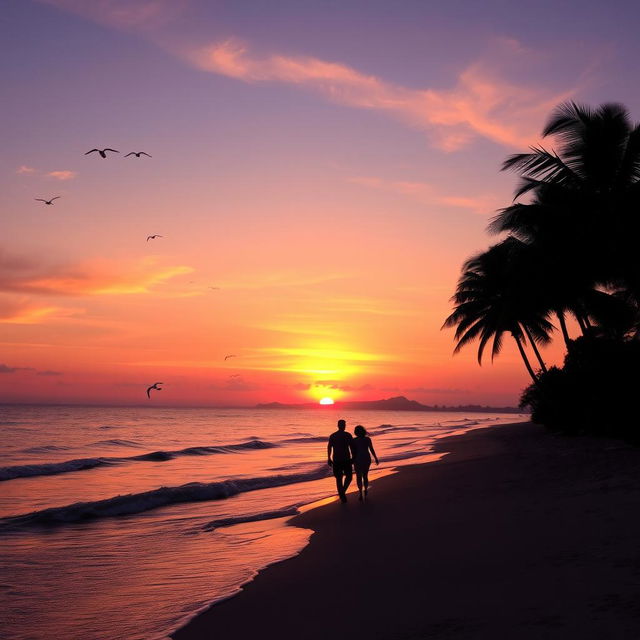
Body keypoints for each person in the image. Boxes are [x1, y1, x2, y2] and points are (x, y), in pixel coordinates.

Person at [327, 419, 354, 503]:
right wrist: (329, 458)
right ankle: (342, 494)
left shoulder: (343, 435)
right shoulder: (337, 435)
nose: (344, 426)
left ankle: (342, 493)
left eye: (344, 424)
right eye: (343, 425)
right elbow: (329, 447)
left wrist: (329, 458)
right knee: (343, 478)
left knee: (345, 478)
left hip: (341, 460)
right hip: (341, 460)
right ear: (339, 425)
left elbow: (352, 447)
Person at [351, 425, 379, 501]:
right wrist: (375, 458)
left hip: (357, 459)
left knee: (359, 477)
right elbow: (371, 449)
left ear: (356, 432)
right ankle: (365, 489)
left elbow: (353, 452)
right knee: (365, 476)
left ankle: (360, 493)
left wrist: (351, 460)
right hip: (366, 459)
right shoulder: (367, 439)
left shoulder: (354, 440)